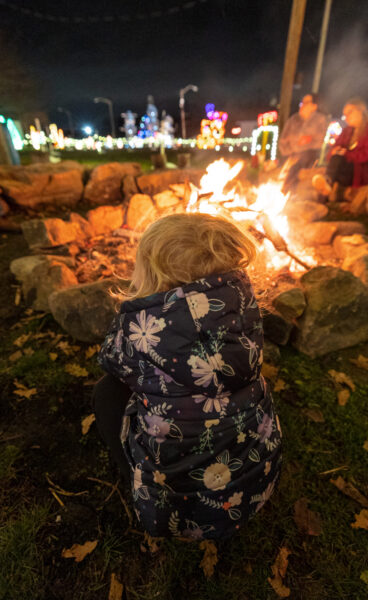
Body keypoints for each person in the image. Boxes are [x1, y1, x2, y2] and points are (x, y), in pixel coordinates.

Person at [93, 213, 282, 540]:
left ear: (152, 273)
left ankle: (133, 478)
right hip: (257, 483)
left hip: (176, 514)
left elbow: (109, 359)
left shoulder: (140, 329)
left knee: (106, 392)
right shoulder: (245, 305)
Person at [312, 97, 368, 201]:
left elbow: (367, 154)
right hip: (340, 170)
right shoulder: (347, 130)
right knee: (336, 156)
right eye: (345, 114)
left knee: (338, 157)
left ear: (361, 110)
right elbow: (331, 153)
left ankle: (327, 184)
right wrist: (335, 151)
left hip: (357, 171)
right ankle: (327, 186)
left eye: (349, 112)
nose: (346, 116)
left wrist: (346, 154)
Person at [278, 93, 328, 193]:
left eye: (306, 102)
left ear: (314, 106)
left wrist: (305, 141)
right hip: (290, 153)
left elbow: (319, 141)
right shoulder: (293, 119)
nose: (302, 105)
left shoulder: (320, 119)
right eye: (302, 102)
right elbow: (283, 140)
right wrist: (291, 150)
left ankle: (286, 192)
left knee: (300, 162)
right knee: (285, 164)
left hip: (308, 154)